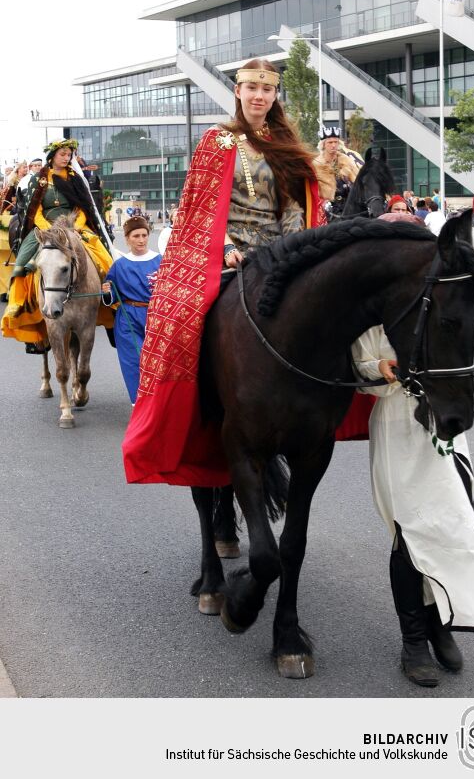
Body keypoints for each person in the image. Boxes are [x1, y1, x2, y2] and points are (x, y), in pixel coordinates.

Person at [122, 57, 372, 487]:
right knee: (183, 318)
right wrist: (226, 248)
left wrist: (298, 251)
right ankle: (194, 407)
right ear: (238, 92)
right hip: (227, 256)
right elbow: (198, 209)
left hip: (280, 256)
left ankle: (354, 385)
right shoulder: (217, 141)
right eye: (251, 88)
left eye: (267, 90)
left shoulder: (285, 143)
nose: (259, 96)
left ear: (275, 95)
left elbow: (296, 206)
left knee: (339, 309)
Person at [352, 268, 474, 686]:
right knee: (410, 530)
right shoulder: (371, 315)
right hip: (397, 425)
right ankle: (414, 641)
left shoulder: (438, 305)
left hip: (442, 426)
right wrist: (380, 367)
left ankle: (440, 621)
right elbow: (361, 369)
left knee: (450, 522)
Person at [1, 138, 113, 353]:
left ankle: (111, 298)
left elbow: (82, 208)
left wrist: (77, 227)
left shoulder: (75, 179)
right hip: (45, 228)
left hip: (73, 226)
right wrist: (47, 229)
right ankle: (20, 306)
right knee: (24, 262)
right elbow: (36, 210)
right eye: (62, 154)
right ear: (52, 157)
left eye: (69, 154)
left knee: (103, 254)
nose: (66, 158)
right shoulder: (39, 180)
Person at [102, 217, 161, 404]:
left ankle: (158, 404)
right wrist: (107, 292)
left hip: (156, 317)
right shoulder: (119, 265)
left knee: (157, 363)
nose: (141, 239)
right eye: (136, 236)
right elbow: (110, 298)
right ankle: (139, 405)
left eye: (144, 235)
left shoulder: (160, 261)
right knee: (134, 362)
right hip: (128, 318)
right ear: (127, 239)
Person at [313, 126, 359, 220]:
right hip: (327, 210)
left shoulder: (347, 161)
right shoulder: (316, 165)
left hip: (349, 206)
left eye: (336, 142)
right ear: (323, 145)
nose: (333, 145)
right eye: (330, 142)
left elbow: (358, 182)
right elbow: (313, 191)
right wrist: (323, 203)